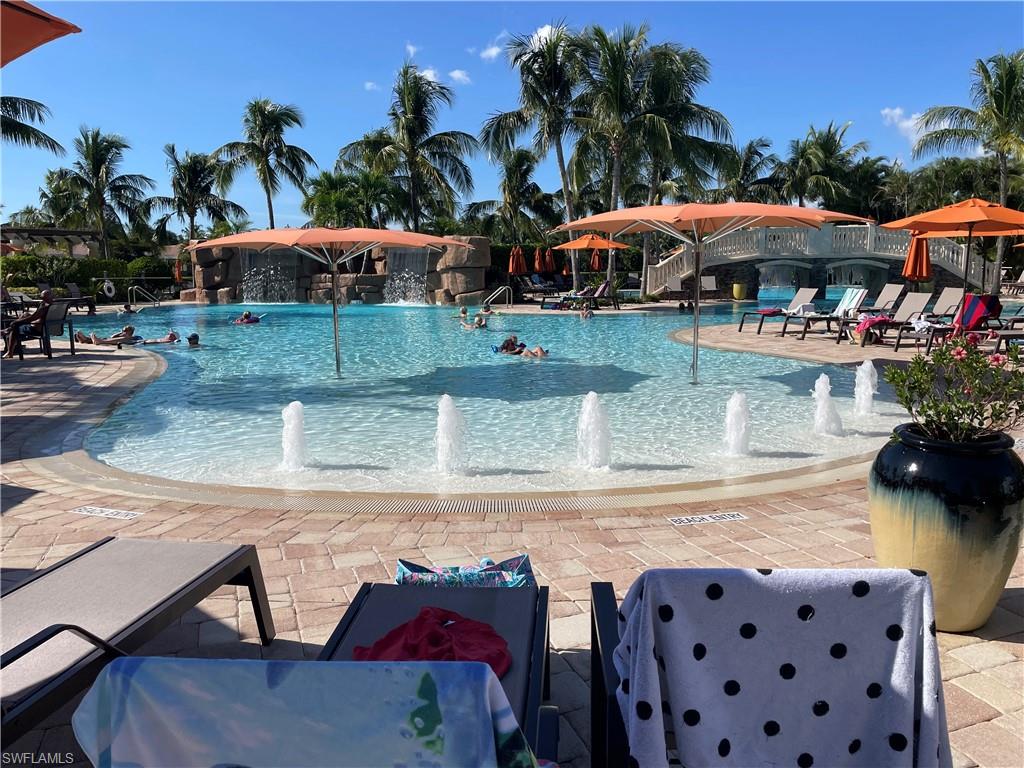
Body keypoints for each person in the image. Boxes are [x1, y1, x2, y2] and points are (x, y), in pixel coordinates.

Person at [2, 290, 53, 359]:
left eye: (43, 298)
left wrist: (15, 322)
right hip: (49, 327)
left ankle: (10, 352)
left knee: (15, 327)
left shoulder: (45, 307)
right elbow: (35, 316)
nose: (42, 299)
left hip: (37, 329)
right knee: (25, 314)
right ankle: (8, 329)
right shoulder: (54, 305)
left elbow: (32, 318)